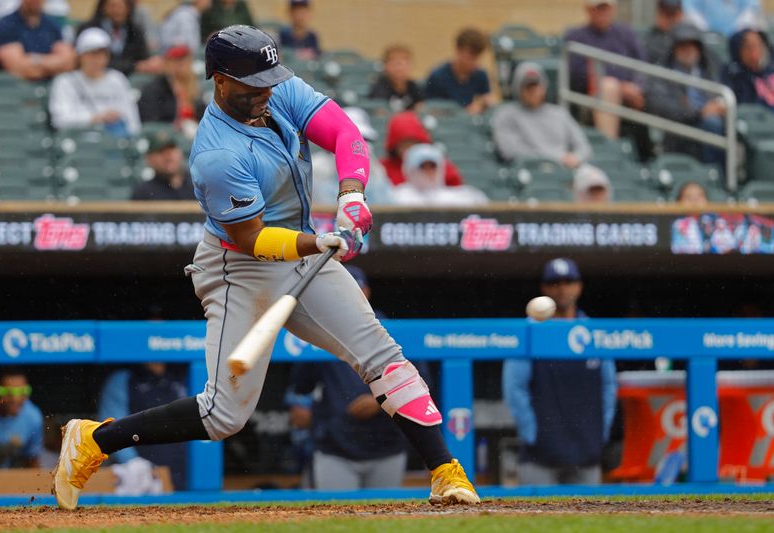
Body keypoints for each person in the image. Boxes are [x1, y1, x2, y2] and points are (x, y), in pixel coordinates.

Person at [53, 26, 479, 510]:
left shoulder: (277, 89)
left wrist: (352, 194)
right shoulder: (216, 155)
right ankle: (94, 440)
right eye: (252, 84)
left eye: (269, 80)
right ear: (218, 80)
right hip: (240, 267)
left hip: (304, 254)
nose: (265, 92)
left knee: (382, 355)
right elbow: (250, 238)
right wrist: (318, 239)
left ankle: (446, 472)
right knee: (222, 416)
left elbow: (344, 134)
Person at [286, 266, 413, 490]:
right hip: (335, 449)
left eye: (356, 289)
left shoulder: (391, 330)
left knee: (387, 521)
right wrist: (306, 411)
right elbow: (300, 387)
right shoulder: (318, 331)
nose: (349, 295)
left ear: (367, 292)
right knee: (334, 521)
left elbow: (418, 383)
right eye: (342, 290)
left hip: (386, 446)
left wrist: (380, 401)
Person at [502, 258, 617, 486]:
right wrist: (533, 436)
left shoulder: (593, 331)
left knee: (589, 521)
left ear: (579, 286)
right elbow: (514, 389)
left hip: (587, 455)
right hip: (540, 458)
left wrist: (599, 435)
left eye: (569, 281)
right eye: (554, 282)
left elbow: (609, 387)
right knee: (535, 521)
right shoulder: (530, 331)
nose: (562, 288)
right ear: (544, 289)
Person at [97, 363, 189, 490]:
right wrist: (135, 464)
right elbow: (111, 429)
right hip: (142, 477)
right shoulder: (123, 379)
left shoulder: (183, 375)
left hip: (183, 471)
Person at [564, 0, 647, 140]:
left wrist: (638, 88)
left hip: (632, 97)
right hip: (591, 99)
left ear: (614, 9)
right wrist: (620, 87)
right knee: (608, 87)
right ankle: (610, 147)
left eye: (606, 8)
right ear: (588, 10)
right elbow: (578, 76)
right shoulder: (577, 37)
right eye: (598, 8)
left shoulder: (626, 33)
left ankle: (652, 154)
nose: (602, 13)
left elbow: (643, 65)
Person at [648, 23, 725, 164]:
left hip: (712, 125)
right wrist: (699, 113)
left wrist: (720, 107)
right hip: (679, 130)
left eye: (692, 45)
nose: (687, 50)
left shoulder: (709, 68)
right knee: (711, 124)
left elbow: (724, 96)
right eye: (682, 45)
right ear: (674, 48)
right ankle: (714, 172)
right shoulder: (663, 73)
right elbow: (661, 105)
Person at [492, 61, 592, 167]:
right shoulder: (506, 114)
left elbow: (584, 147)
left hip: (565, 170)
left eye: (536, 85)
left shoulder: (559, 113)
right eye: (528, 86)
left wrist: (576, 157)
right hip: (530, 171)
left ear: (544, 87)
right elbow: (510, 151)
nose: (533, 91)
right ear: (518, 89)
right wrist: (556, 158)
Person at [48, 27, 141, 137]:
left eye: (102, 53)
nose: (97, 59)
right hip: (79, 141)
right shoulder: (65, 82)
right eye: (92, 54)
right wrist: (95, 118)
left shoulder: (117, 79)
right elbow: (59, 120)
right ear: (80, 56)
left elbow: (132, 121)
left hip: (113, 141)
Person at [312, 106, 394, 205]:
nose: (358, 144)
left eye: (364, 139)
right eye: (350, 138)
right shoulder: (316, 166)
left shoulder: (376, 167)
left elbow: (386, 205)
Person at [0, 0, 75, 81]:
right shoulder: (7, 25)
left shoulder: (52, 25)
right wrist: (53, 66)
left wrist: (34, 61)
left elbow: (68, 63)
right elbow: (17, 67)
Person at [724, 28, 774, 117]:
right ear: (738, 50)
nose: (755, 50)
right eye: (749, 46)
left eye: (758, 44)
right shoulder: (735, 77)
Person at [381, 111, 464, 187]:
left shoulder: (436, 164)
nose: (409, 149)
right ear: (394, 146)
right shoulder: (383, 169)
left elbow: (455, 190)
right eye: (403, 145)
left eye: (413, 143)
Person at [138, 43, 207, 135]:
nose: (181, 65)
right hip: (168, 138)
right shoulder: (154, 89)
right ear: (166, 63)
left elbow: (203, 116)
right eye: (176, 60)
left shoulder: (194, 87)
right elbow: (151, 123)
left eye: (184, 60)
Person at [78, 0, 161, 76]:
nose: (117, 11)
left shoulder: (135, 30)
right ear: (103, 7)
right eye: (113, 6)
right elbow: (90, 60)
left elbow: (143, 59)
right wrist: (133, 66)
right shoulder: (89, 29)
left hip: (129, 77)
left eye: (121, 6)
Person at [424, 28, 495, 114]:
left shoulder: (480, 75)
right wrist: (464, 113)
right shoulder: (437, 77)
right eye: (471, 57)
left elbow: (488, 101)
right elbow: (431, 111)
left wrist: (483, 104)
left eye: (477, 58)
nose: (475, 63)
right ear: (458, 50)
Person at [392, 144, 488, 207]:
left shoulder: (460, 197)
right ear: (410, 171)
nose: (428, 172)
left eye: (432, 166)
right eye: (423, 167)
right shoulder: (398, 197)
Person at [0, 369, 43, 469]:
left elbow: (33, 459)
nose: (15, 398)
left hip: (17, 467)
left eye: (22, 392)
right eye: (8, 392)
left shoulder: (33, 417)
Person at [132, 129, 196, 200]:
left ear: (180, 153)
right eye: (161, 152)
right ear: (149, 159)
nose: (168, 156)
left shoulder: (199, 185)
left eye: (171, 150)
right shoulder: (143, 193)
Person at [369, 44, 424, 112]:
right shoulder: (380, 87)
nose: (399, 68)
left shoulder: (414, 87)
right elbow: (380, 113)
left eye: (405, 63)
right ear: (385, 66)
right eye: (395, 63)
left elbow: (422, 109)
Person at [684, 0, 761, 37]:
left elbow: (750, 10)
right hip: (707, 38)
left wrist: (736, 32)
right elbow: (690, 9)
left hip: (737, 38)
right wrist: (705, 31)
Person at [646, 0, 685, 65]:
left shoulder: (691, 38)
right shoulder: (650, 40)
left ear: (681, 14)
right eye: (666, 14)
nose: (670, 19)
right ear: (658, 14)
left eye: (673, 14)